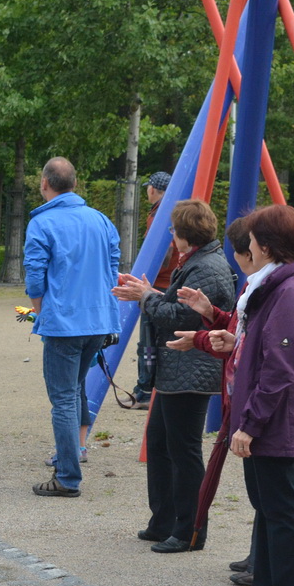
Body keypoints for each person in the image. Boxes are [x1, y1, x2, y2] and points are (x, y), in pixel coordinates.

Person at [175, 206, 294, 586]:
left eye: (253, 239)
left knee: (282, 506)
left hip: (275, 419)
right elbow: (261, 348)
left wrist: (250, 423)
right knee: (266, 503)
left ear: (266, 246)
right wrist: (232, 337)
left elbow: (281, 368)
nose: (247, 246)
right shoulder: (273, 286)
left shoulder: (289, 290)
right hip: (262, 414)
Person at [112, 198, 235, 552]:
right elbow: (176, 307)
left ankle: (189, 530)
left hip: (191, 369)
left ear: (183, 234)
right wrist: (150, 293)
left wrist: (146, 296)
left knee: (183, 451)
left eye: (172, 230)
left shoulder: (207, 267)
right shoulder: (199, 261)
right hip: (178, 369)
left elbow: (182, 318)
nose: (170, 236)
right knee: (161, 443)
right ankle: (164, 520)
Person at [24, 157, 120, 497]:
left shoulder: (42, 222)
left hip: (64, 323)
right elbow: (112, 268)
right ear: (75, 184)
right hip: (98, 321)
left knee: (63, 398)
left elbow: (35, 277)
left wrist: (41, 313)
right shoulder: (101, 220)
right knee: (76, 386)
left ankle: (67, 476)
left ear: (45, 184)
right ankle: (73, 453)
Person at [130, 170, 174, 408]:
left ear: (153, 189)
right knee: (159, 340)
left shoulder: (159, 214)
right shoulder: (175, 210)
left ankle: (145, 389)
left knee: (147, 341)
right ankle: (152, 387)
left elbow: (164, 254)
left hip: (157, 284)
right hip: (170, 284)